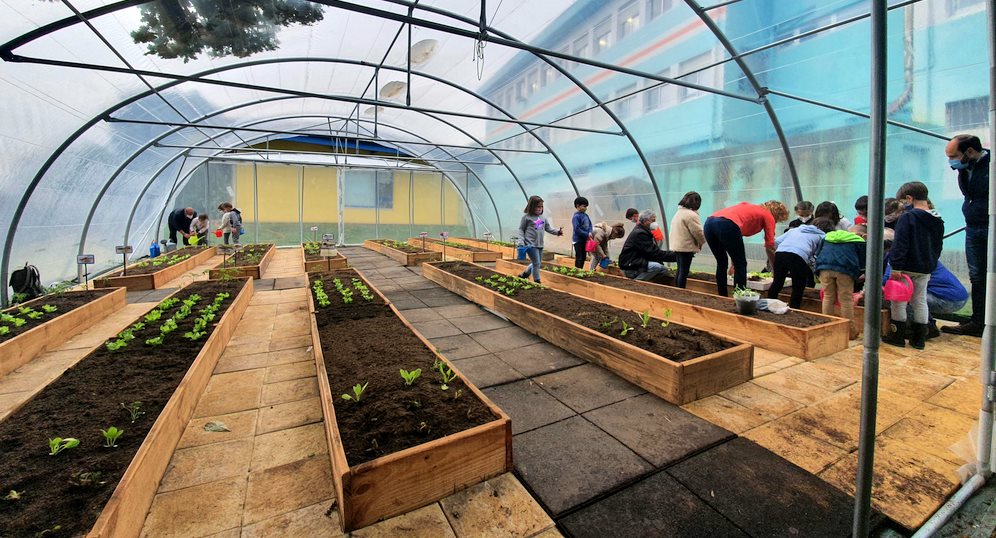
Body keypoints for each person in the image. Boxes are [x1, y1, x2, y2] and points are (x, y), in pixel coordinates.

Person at [882, 181, 944, 350]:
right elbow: (938, 246)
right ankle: (919, 340)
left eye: (902, 202)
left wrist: (896, 266)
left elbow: (900, 244)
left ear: (909, 198)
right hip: (925, 268)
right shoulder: (938, 220)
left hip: (905, 268)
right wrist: (930, 263)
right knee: (920, 300)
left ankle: (898, 336)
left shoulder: (907, 218)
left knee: (898, 301)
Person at [942, 134, 991, 337]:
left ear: (970, 152)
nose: (951, 161)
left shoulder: (991, 167)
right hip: (973, 228)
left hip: (990, 227)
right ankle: (978, 323)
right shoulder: (964, 169)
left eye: (954, 156)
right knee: (977, 277)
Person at [703, 200, 789, 296]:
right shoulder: (768, 215)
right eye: (778, 219)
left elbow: (734, 242)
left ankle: (722, 296)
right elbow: (770, 246)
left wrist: (733, 264)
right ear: (777, 214)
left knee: (722, 262)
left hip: (709, 223)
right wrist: (776, 270)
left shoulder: (749, 209)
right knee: (741, 264)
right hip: (727, 225)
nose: (776, 222)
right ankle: (740, 297)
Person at [815, 220, 867, 339]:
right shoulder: (859, 242)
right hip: (845, 270)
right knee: (846, 299)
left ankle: (827, 327)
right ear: (864, 235)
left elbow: (818, 253)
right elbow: (863, 262)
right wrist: (861, 274)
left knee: (828, 296)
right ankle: (849, 332)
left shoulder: (829, 236)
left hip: (824, 268)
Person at [768, 217, 832, 308]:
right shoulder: (822, 236)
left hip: (780, 253)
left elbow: (777, 241)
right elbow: (818, 253)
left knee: (778, 281)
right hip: (798, 255)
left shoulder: (795, 230)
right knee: (799, 284)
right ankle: (794, 308)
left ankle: (769, 303)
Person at [618, 210, 677, 281]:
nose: (655, 223)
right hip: (630, 266)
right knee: (656, 267)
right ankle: (636, 284)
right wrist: (677, 256)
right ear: (645, 221)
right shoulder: (640, 234)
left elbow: (652, 252)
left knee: (663, 270)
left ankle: (649, 284)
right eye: (653, 220)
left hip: (636, 262)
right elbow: (654, 253)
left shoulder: (643, 231)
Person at [517, 195, 563, 283]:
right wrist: (521, 241)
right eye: (538, 206)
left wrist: (557, 232)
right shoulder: (526, 217)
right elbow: (521, 229)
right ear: (532, 206)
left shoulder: (542, 218)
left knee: (537, 263)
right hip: (530, 244)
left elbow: (548, 228)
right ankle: (537, 281)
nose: (540, 208)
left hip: (540, 244)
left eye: (541, 206)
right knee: (536, 263)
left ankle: (525, 274)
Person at [669, 191, 706, 288]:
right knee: (684, 272)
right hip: (686, 247)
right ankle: (681, 291)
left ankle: (677, 289)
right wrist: (702, 242)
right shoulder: (691, 215)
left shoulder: (679, 213)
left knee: (680, 269)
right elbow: (698, 232)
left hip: (677, 246)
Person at [571, 196, 594, 268]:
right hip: (578, 240)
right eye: (584, 206)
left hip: (585, 239)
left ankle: (580, 270)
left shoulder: (586, 215)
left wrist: (590, 232)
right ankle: (577, 271)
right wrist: (586, 234)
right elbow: (577, 229)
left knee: (584, 256)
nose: (586, 208)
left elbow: (590, 224)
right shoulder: (576, 217)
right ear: (578, 206)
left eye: (586, 206)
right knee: (579, 256)